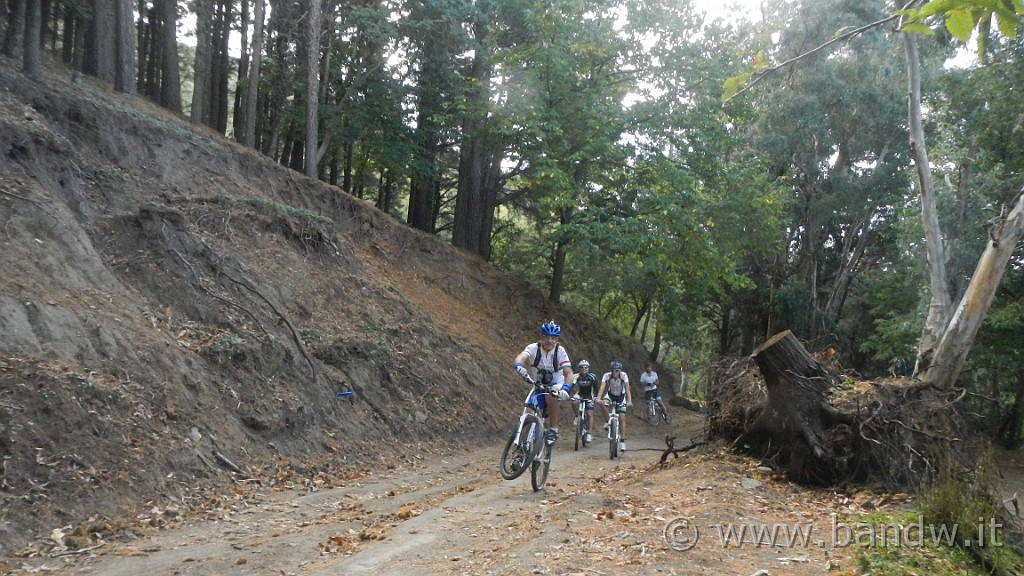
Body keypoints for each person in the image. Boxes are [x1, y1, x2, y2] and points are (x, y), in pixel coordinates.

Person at [513, 320, 573, 445]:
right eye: (546, 337)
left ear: (557, 340)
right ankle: (523, 446)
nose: (549, 340)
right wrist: (519, 365)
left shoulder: (560, 351)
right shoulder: (533, 348)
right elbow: (522, 356)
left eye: (553, 338)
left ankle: (553, 429)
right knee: (528, 412)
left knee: (551, 395)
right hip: (539, 386)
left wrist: (566, 389)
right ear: (541, 337)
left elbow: (569, 373)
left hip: (556, 385)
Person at [597, 360, 632, 452]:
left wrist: (629, 401)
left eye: (617, 370)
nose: (614, 372)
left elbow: (627, 389)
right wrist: (598, 398)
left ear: (620, 370)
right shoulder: (607, 376)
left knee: (622, 418)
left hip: (621, 397)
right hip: (610, 395)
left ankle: (622, 442)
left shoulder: (624, 375)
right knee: (603, 404)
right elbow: (602, 387)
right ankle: (607, 421)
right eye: (613, 370)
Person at [570, 360, 599, 444]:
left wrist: (596, 397)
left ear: (588, 368)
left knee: (590, 414)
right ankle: (577, 417)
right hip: (580, 394)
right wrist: (567, 394)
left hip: (590, 396)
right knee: (574, 402)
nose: (584, 369)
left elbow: (596, 388)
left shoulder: (592, 377)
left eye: (586, 367)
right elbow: (571, 386)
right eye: (582, 367)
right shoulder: (576, 376)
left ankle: (589, 433)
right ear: (579, 368)